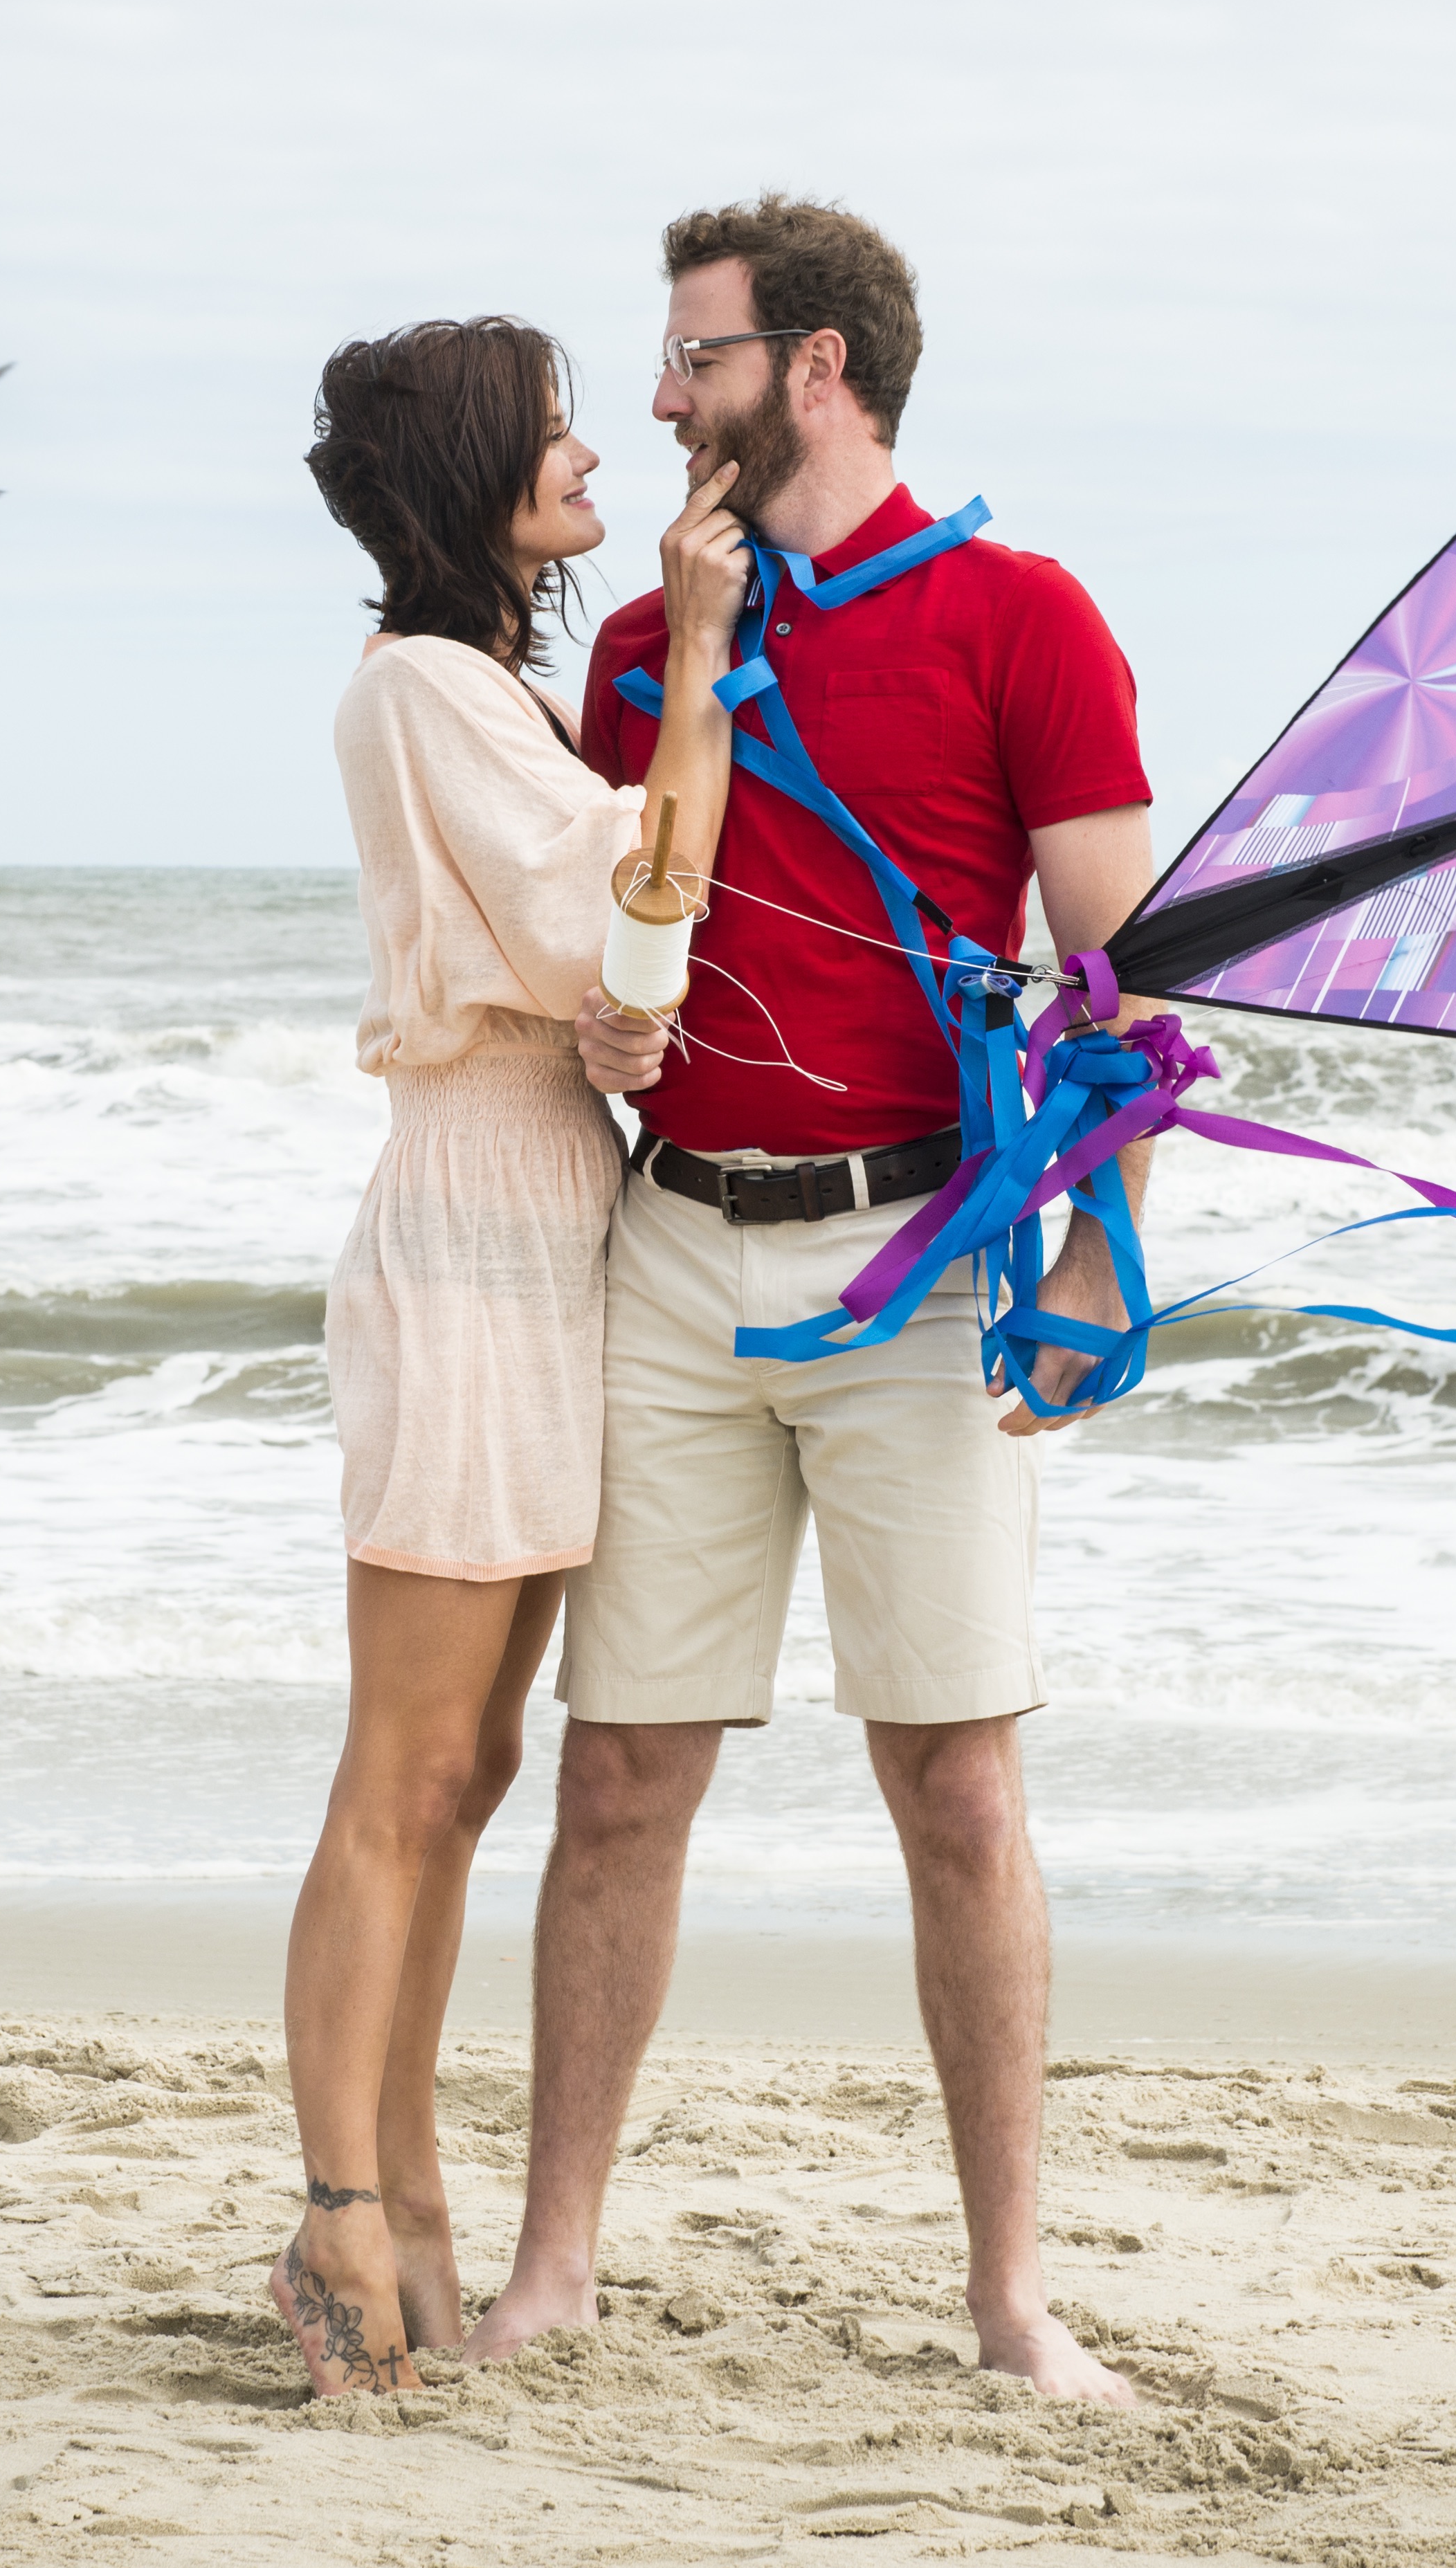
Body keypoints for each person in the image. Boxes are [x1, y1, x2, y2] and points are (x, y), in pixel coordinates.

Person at [464, 198, 1156, 2403]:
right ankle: (557, 2267)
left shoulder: (1025, 620)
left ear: (820, 368)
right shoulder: (651, 641)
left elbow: (1125, 984)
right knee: (621, 1779)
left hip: (918, 1259)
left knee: (957, 1783)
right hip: (670, 1245)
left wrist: (1095, 1243)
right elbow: (613, 927)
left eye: (696, 359)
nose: (662, 400)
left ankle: (1009, 2296)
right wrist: (593, 1026)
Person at [275, 317, 744, 2398]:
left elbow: (601, 961)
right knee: (404, 1775)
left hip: (551, 1213)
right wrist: (709, 657)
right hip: (473, 1235)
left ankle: (415, 2190)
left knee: (469, 1776)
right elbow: (630, 906)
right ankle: (339, 2216)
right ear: (467, 473)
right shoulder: (425, 688)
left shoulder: (497, 694)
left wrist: (612, 1024)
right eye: (546, 427)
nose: (586, 451)